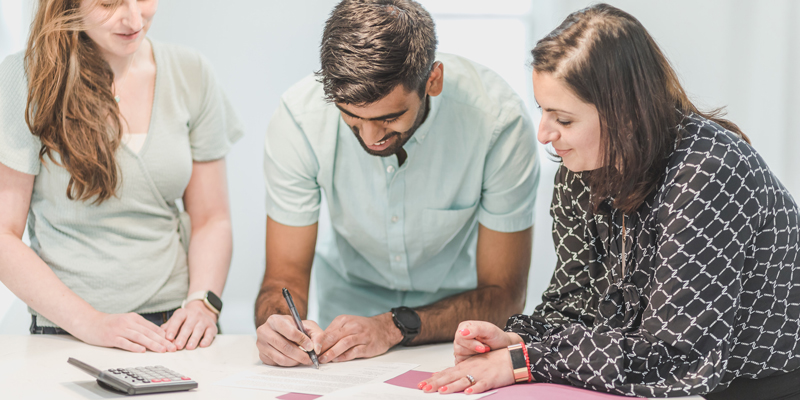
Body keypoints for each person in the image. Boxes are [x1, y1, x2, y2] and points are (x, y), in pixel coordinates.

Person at [420, 4, 800, 399]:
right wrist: (512, 341)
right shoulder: (580, 166)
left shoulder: (709, 172)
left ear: (627, 116)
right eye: (542, 111)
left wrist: (525, 361)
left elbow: (675, 354)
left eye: (563, 119)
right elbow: (571, 306)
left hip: (762, 386)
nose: (544, 133)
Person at [255, 0, 540, 367]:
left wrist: (392, 327)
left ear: (432, 81)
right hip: (339, 333)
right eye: (352, 118)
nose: (371, 137)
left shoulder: (499, 124)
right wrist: (276, 325)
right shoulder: (299, 119)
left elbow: (505, 297)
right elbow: (284, 274)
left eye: (389, 117)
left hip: (457, 334)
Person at [0, 0, 242, 353]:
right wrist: (92, 323)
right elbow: (4, 236)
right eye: (108, 3)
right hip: (68, 330)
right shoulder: (24, 78)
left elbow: (211, 219)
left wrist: (202, 304)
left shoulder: (191, 72)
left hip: (175, 329)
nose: (133, 18)